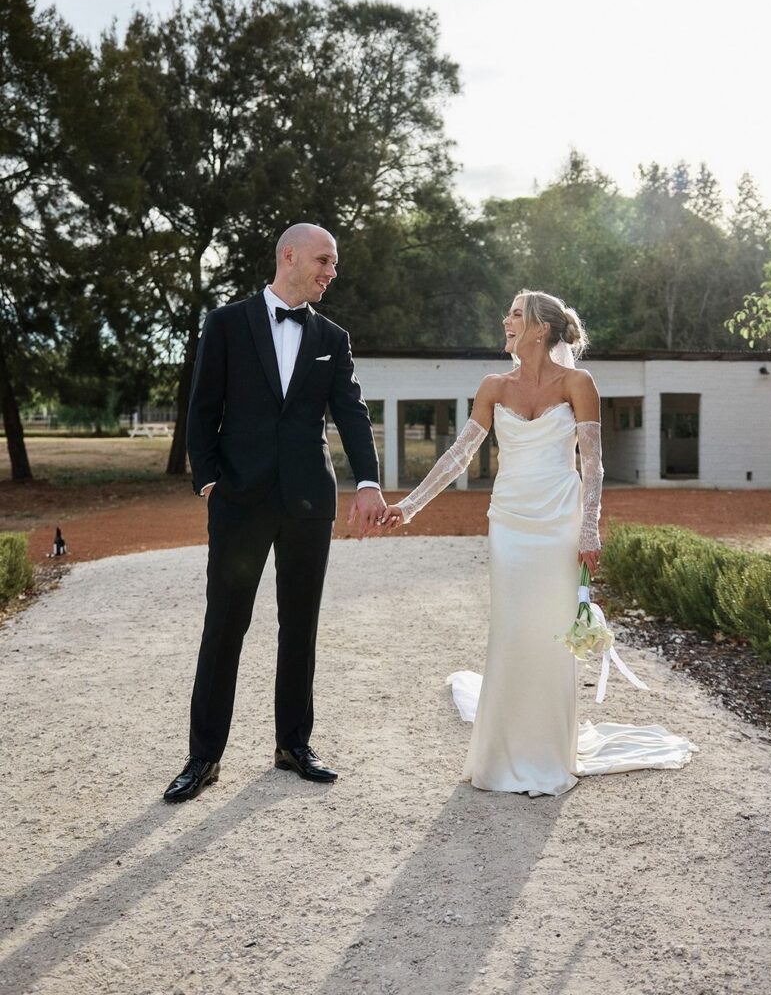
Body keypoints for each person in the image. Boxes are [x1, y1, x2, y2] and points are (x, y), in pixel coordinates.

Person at [382, 290, 697, 796]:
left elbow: (593, 462)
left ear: (540, 329)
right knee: (510, 629)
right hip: (509, 522)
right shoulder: (492, 385)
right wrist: (409, 505)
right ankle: (501, 752)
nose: (505, 320)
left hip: (558, 522)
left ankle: (551, 749)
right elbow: (459, 455)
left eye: (514, 313)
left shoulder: (579, 383)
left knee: (552, 633)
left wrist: (590, 528)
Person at [164, 224, 386, 802]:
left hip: (309, 502)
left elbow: (352, 413)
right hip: (239, 501)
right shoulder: (226, 323)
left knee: (300, 624)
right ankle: (203, 757)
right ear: (289, 256)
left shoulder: (332, 337)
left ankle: (293, 745)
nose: (331, 272)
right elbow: (202, 407)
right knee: (225, 626)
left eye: (333, 264)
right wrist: (210, 478)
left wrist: (367, 481)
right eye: (324, 261)